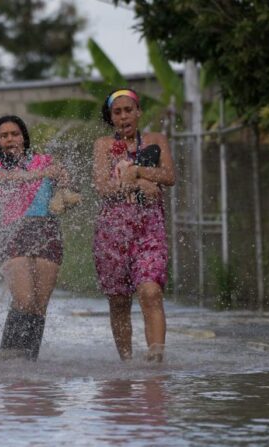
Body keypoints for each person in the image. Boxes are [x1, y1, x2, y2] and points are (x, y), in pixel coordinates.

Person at [92, 88, 175, 362]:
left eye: (129, 110)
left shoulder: (156, 139)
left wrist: (138, 171)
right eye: (117, 112)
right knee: (118, 302)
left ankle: (156, 360)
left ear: (139, 112)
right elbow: (103, 187)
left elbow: (169, 176)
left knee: (151, 292)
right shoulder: (104, 145)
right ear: (111, 117)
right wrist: (139, 183)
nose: (124, 116)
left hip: (149, 229)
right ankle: (127, 365)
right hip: (112, 233)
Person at [0, 115, 72, 361]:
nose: (10, 139)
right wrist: (43, 173)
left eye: (14, 134)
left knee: (39, 305)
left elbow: (66, 183)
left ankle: (28, 362)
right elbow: (8, 179)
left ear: (24, 137)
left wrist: (62, 177)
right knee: (23, 300)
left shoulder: (44, 160)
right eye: (4, 136)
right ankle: (9, 356)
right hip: (15, 232)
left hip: (48, 232)